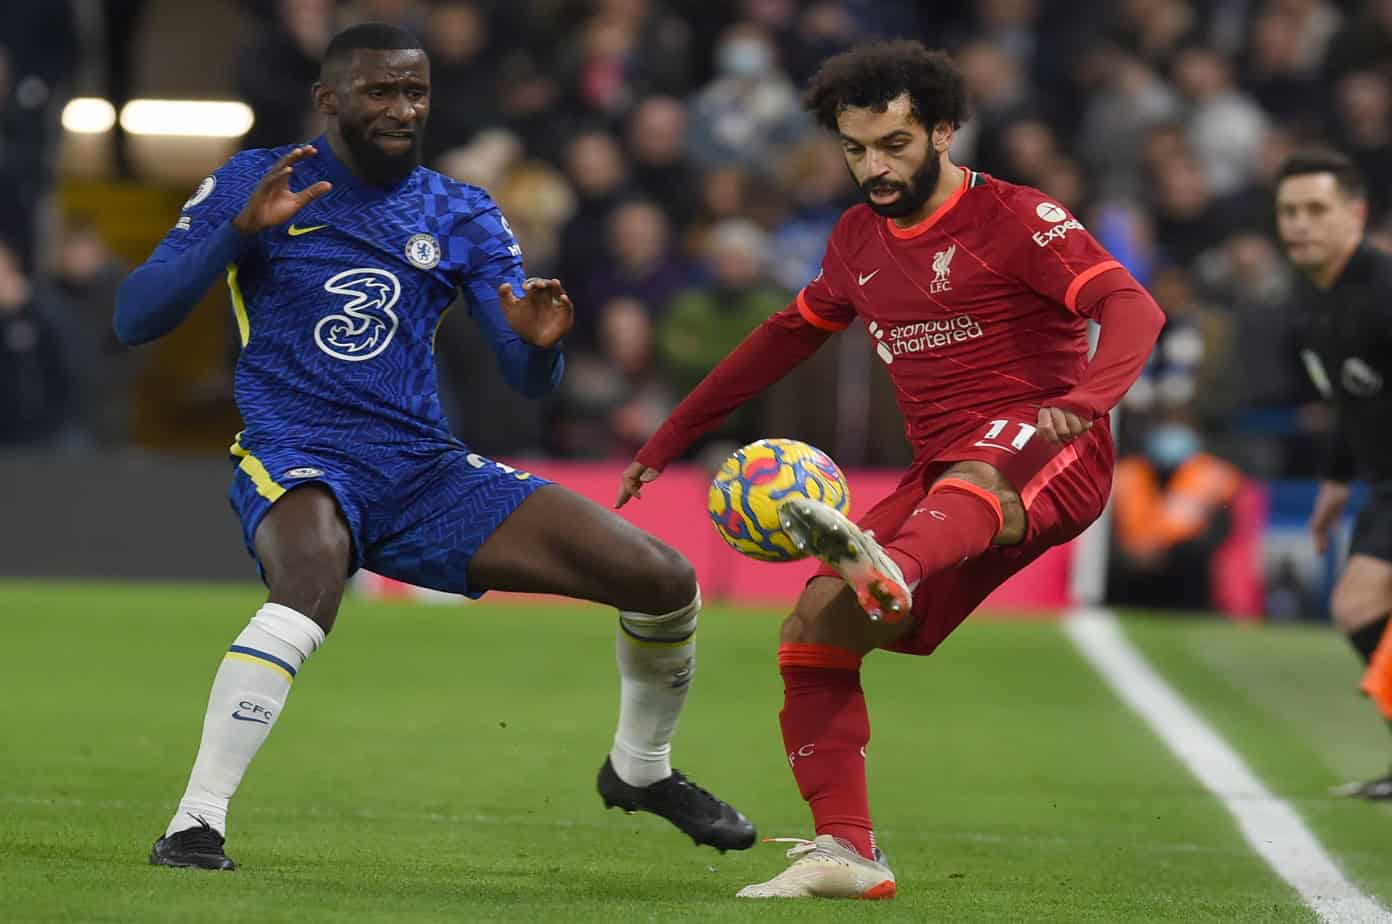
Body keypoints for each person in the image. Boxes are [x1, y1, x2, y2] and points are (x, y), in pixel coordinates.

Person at [114, 22, 754, 872]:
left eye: (414, 92)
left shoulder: (460, 210)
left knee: (665, 580)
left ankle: (641, 768)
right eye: (380, 91)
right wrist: (237, 231)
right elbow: (136, 318)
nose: (402, 109)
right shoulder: (258, 179)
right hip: (298, 449)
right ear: (329, 99)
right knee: (312, 579)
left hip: (423, 469)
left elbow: (527, 379)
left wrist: (540, 347)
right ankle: (196, 824)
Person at [616, 40, 1165, 899]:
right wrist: (669, 438)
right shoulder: (856, 240)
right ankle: (849, 851)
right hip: (941, 476)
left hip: (1048, 441)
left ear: (943, 131)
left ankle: (892, 568)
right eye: (855, 148)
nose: (873, 167)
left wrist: (1090, 396)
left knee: (973, 479)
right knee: (812, 628)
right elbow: (783, 338)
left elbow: (1131, 305)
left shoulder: (1018, 217)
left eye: (894, 145)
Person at [1276, 147, 1392, 799]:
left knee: (1359, 601)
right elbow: (1350, 403)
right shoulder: (1311, 300)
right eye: (1289, 211)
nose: (1300, 224)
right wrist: (1335, 482)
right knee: (1360, 607)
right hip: (1381, 482)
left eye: (1317, 210)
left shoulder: (1383, 292)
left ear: (1357, 213)